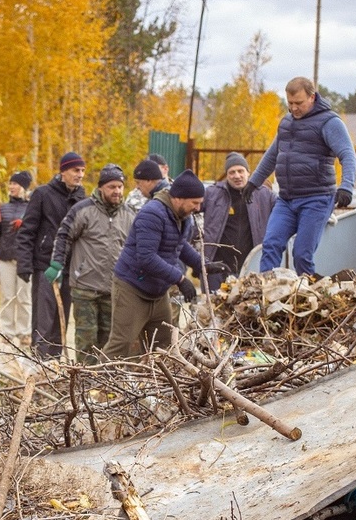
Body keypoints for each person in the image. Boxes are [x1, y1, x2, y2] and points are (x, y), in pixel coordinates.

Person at [244, 76, 356, 277]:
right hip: (287, 199)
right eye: (290, 103)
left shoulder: (329, 122)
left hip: (316, 198)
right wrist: (253, 182)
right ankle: (265, 292)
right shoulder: (287, 122)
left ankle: (306, 294)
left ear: (312, 97)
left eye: (299, 103)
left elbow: (348, 155)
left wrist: (346, 186)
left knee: (301, 253)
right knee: (270, 245)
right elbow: (273, 155)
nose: (294, 108)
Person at [103, 170, 206, 360]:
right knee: (122, 343)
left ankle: (154, 387)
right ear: (179, 198)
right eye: (195, 202)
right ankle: (97, 386)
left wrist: (203, 265)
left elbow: (180, 245)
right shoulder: (152, 214)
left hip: (158, 292)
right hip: (132, 287)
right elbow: (146, 257)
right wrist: (181, 279)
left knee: (163, 345)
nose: (198, 208)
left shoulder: (183, 217)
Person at [48, 164, 133, 363]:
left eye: (120, 186)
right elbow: (63, 236)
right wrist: (57, 263)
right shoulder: (83, 210)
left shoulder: (130, 215)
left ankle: (105, 384)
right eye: (112, 186)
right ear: (101, 187)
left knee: (110, 339)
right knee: (86, 339)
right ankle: (85, 381)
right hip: (85, 286)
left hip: (114, 288)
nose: (117, 191)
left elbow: (135, 248)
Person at [15, 152, 87, 359]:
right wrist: (24, 265)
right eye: (76, 170)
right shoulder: (43, 194)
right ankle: (39, 362)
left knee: (61, 318)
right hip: (45, 265)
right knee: (43, 319)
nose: (80, 174)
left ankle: (54, 365)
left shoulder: (82, 197)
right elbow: (27, 231)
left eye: (82, 170)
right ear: (63, 171)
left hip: (70, 268)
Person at [201, 152, 276, 291]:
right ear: (227, 175)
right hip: (217, 267)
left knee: (249, 309)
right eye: (232, 172)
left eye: (241, 171)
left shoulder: (264, 195)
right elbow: (190, 212)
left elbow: (286, 210)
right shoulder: (212, 194)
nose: (237, 176)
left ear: (248, 172)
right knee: (214, 308)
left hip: (252, 266)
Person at [0, 171, 33, 345]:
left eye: (15, 184)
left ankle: (24, 332)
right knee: (7, 296)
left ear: (24, 187)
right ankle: (7, 332)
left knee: (24, 297)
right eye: (10, 183)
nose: (12, 187)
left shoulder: (32, 207)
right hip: (6, 259)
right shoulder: (3, 208)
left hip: (25, 259)